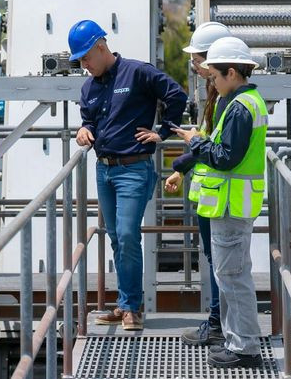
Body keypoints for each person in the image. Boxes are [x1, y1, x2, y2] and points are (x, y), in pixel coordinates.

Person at [71, 19, 187, 331]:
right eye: (79, 61)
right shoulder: (89, 87)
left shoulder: (137, 72)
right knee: (117, 239)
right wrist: (84, 130)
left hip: (134, 169)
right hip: (104, 170)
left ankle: (133, 307)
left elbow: (176, 95)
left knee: (126, 234)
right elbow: (90, 121)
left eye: (86, 58)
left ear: (100, 45)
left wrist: (162, 132)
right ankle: (125, 303)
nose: (84, 65)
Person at [174, 36, 267, 368]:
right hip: (232, 205)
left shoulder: (241, 108)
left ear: (231, 72)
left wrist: (196, 142)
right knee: (231, 276)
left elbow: (225, 157)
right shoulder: (249, 102)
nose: (211, 81)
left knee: (233, 278)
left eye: (214, 76)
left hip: (230, 206)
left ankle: (246, 349)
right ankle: (235, 342)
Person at [164, 22, 233, 346]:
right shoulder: (215, 95)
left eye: (197, 58)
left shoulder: (224, 100)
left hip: (222, 197)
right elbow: (206, 140)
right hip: (212, 195)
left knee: (221, 265)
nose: (193, 63)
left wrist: (191, 144)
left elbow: (212, 146)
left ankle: (220, 326)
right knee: (216, 262)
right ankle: (218, 323)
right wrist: (181, 168)